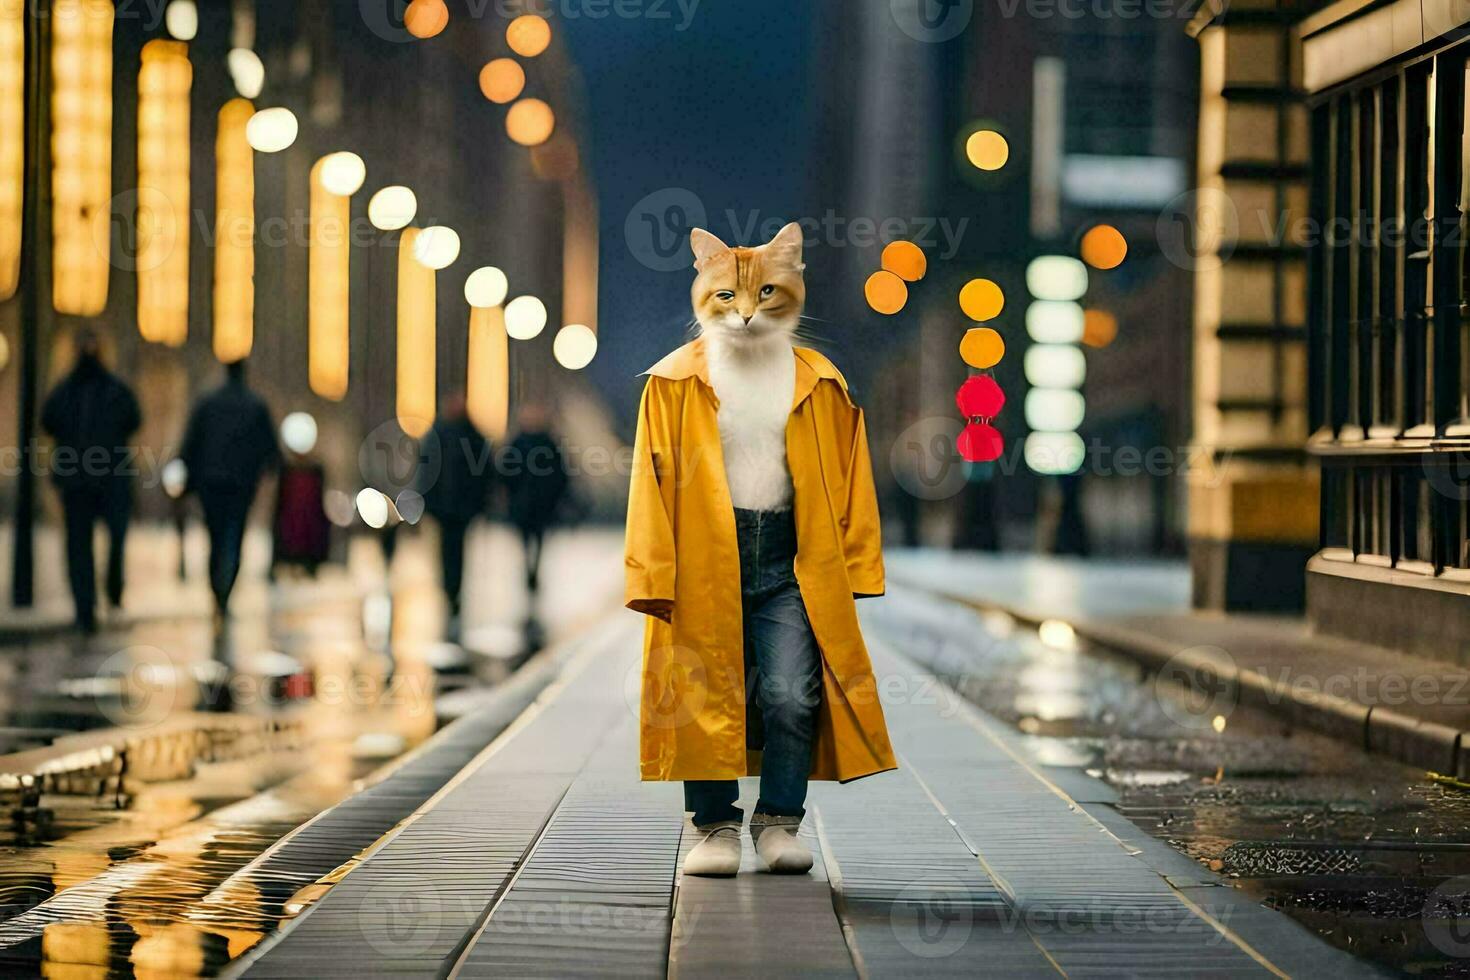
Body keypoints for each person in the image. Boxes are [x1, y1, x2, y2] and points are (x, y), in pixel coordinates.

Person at [625, 223, 895, 879]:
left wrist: (857, 565)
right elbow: (649, 482)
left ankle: (779, 820)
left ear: (793, 289)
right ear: (702, 291)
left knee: (791, 695)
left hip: (789, 558)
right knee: (702, 693)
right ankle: (714, 826)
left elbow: (852, 476)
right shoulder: (672, 381)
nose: (745, 312)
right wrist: (652, 571)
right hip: (702, 557)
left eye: (766, 295)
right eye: (725, 297)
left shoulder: (822, 382)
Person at [40, 331, 141, 633]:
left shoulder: (67, 390)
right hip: (104, 479)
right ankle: (102, 597)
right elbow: (134, 420)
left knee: (80, 546)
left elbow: (48, 421)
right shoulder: (113, 389)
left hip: (82, 480)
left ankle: (89, 606)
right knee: (101, 542)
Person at [179, 360, 280, 616]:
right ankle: (225, 590)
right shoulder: (256, 406)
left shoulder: (207, 403)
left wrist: (188, 476)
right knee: (234, 536)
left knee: (214, 536)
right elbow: (271, 449)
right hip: (241, 483)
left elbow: (191, 442)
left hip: (210, 482)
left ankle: (217, 589)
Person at [417, 394, 493, 619]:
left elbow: (483, 472)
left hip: (461, 506)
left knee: (455, 550)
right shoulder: (439, 434)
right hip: (445, 505)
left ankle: (453, 589)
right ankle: (449, 588)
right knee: (446, 549)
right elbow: (427, 469)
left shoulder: (471, 436)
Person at [503, 403, 567, 593]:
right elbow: (506, 470)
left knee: (538, 539)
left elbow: (559, 473)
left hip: (541, 503)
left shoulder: (547, 442)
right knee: (527, 539)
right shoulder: (521, 442)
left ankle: (533, 571)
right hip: (524, 503)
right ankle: (529, 570)